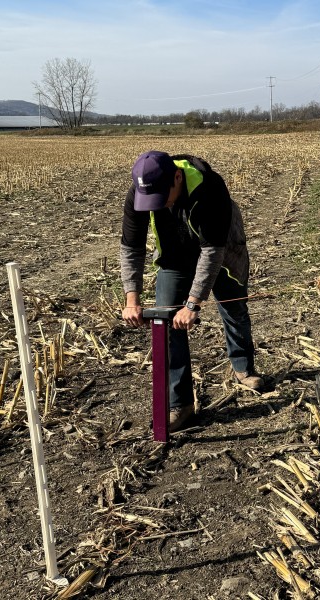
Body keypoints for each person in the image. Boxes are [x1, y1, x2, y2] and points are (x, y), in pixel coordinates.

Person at [120, 150, 263, 432]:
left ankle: (243, 367)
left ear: (177, 177)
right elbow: (131, 247)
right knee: (166, 323)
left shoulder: (210, 188)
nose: (158, 205)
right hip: (175, 257)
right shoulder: (139, 192)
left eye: (162, 196)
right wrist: (131, 298)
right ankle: (181, 404)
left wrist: (194, 303)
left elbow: (212, 253)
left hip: (223, 249)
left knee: (233, 306)